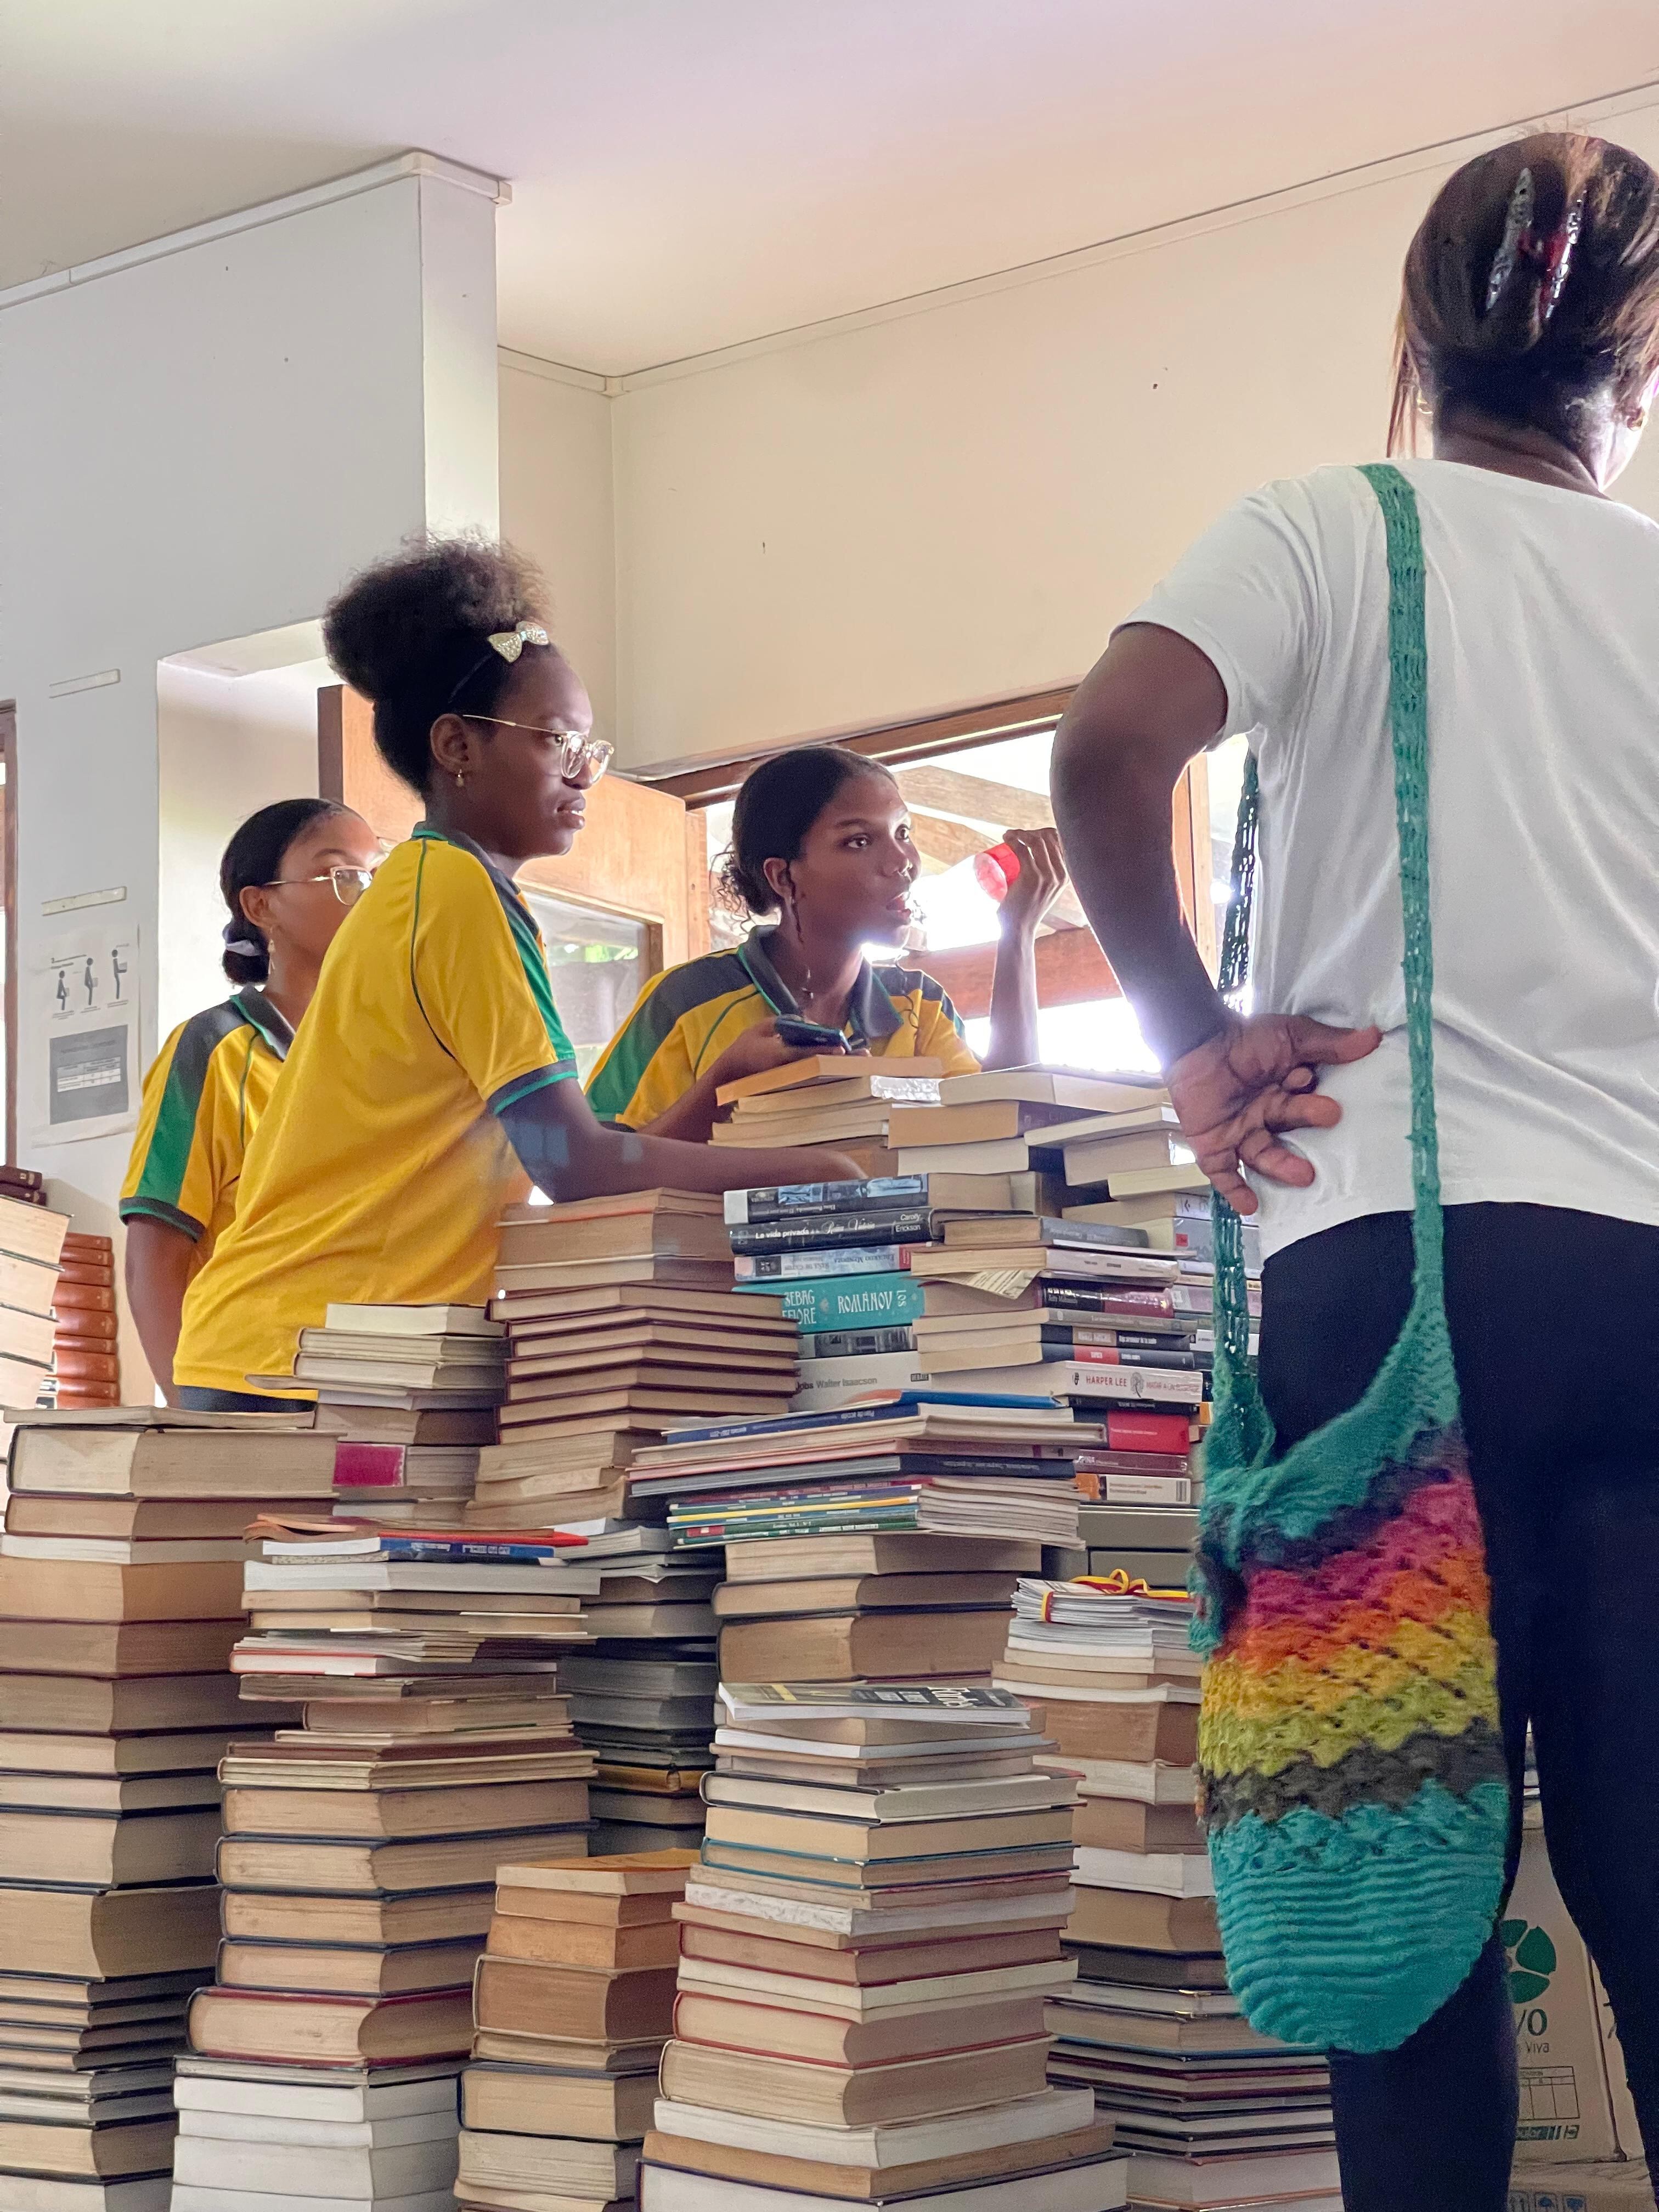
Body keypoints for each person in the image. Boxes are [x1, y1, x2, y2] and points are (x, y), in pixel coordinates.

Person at [1049, 132, 1659, 2212]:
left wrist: (1186, 1038)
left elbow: (1107, 746)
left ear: (1413, 337)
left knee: (1391, 1895)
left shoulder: (1323, 526)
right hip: (1638, 1285)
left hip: (1380, 1277)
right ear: (1634, 356)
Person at [169, 538, 864, 1413]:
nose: (583, 772)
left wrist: (716, 1087)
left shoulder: (431, 886)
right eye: (556, 741)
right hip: (305, 1358)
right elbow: (571, 1162)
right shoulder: (456, 896)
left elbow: (548, 1153)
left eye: (590, 747)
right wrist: (825, 1177)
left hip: (317, 1348)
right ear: (457, 744)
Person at [585, 744, 1068, 1137]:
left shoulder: (918, 1006)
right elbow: (591, 1175)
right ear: (783, 877)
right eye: (859, 841)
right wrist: (723, 1083)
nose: (904, 861)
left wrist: (1018, 931)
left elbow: (1008, 1126)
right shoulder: (686, 1001)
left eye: (903, 832)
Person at [119, 798, 381, 1400]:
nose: (367, 893)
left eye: (377, 874)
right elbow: (154, 1254)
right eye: (342, 874)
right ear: (261, 905)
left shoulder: (398, 1052)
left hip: (380, 1380)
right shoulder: (214, 1048)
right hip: (250, 1383)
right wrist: (192, 1416)